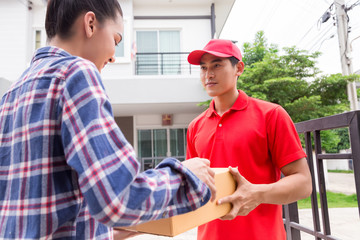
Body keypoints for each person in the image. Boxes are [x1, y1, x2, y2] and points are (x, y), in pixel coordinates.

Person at [0, 1, 217, 239]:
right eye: (116, 40)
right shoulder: (76, 73)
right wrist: (186, 177)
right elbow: (116, 198)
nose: (113, 57)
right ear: (90, 24)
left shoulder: (10, 95)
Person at [186, 39, 312, 240]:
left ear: (239, 68)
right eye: (203, 67)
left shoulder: (271, 115)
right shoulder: (195, 127)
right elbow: (194, 185)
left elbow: (304, 183)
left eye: (217, 65)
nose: (208, 74)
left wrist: (257, 193)